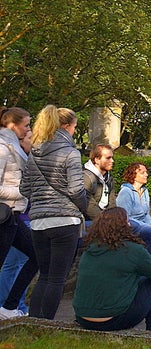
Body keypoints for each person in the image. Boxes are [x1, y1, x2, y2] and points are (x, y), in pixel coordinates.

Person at [20, 104, 88, 320]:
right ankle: (46, 324)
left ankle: (33, 322)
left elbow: (24, 189)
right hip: (64, 220)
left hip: (38, 222)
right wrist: (83, 206)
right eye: (75, 127)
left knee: (44, 276)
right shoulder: (71, 153)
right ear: (67, 127)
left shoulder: (35, 151)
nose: (75, 131)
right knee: (58, 278)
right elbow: (76, 189)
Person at [73, 207, 151, 332]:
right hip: (114, 319)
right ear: (123, 226)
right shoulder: (132, 249)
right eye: (128, 222)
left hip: (82, 317)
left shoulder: (89, 250)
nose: (130, 225)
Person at [0, 107, 38, 319]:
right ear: (13, 125)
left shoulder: (14, 147)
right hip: (5, 215)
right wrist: (20, 192)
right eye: (26, 125)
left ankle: (9, 307)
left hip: (14, 216)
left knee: (38, 255)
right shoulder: (3, 147)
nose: (29, 129)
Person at [116, 163, 151, 265]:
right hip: (130, 224)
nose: (146, 175)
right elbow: (124, 217)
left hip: (143, 224)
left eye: (146, 172)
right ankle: (144, 264)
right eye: (142, 173)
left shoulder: (144, 191)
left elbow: (146, 213)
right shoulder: (126, 192)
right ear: (133, 175)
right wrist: (148, 226)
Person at [83, 144, 116, 222]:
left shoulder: (109, 178)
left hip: (106, 220)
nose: (112, 161)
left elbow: (112, 204)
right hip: (89, 221)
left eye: (112, 157)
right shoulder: (86, 178)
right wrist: (106, 222)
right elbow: (89, 207)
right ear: (97, 160)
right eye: (108, 158)